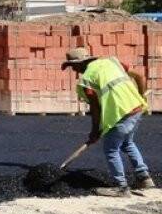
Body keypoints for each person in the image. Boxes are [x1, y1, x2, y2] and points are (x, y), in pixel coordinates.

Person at [61, 47, 157, 197]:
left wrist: (95, 131)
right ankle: (144, 179)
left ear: (81, 63)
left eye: (73, 66)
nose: (74, 70)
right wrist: (141, 97)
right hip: (136, 109)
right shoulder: (112, 62)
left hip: (120, 114)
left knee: (111, 149)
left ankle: (121, 188)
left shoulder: (87, 78)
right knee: (128, 144)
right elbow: (140, 77)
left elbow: (96, 108)